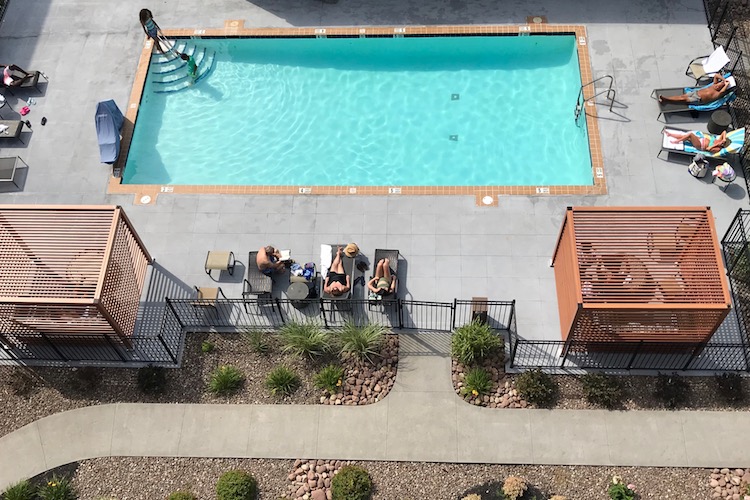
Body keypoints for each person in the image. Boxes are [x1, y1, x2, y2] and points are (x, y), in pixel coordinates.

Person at [658, 73, 732, 104]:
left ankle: (665, 99)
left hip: (698, 99)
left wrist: (726, 85)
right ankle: (666, 99)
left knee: (682, 99)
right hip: (696, 92)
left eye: (719, 86)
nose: (717, 85)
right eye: (719, 83)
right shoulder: (714, 85)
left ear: (721, 88)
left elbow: (722, 92)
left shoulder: (717, 94)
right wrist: (723, 80)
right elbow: (716, 75)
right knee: (682, 96)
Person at [664, 129, 730, 154]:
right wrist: (723, 139)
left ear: (723, 145)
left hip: (700, 145)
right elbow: (724, 131)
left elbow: (708, 149)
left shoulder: (718, 148)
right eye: (723, 141)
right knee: (685, 136)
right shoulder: (720, 139)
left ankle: (677, 141)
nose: (722, 142)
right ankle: (670, 134)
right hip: (700, 139)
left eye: (723, 143)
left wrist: (717, 144)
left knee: (690, 135)